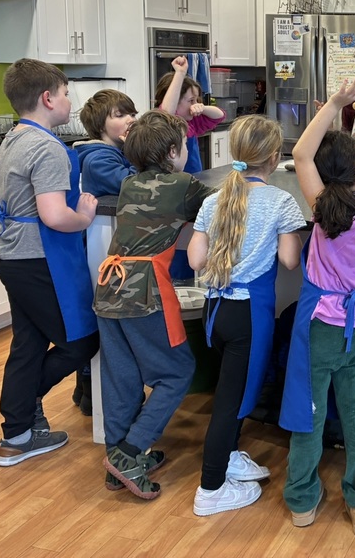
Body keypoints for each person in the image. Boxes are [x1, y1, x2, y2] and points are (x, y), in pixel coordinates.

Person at [280, 76, 355, 538]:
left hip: (318, 326)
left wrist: (334, 103)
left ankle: (303, 503)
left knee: (307, 412)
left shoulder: (323, 211)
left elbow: (301, 155)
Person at [188, 115, 306, 516]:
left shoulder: (211, 200)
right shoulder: (280, 202)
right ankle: (211, 489)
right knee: (231, 401)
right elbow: (290, 261)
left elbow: (196, 258)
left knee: (230, 390)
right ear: (274, 158)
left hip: (214, 313)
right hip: (249, 317)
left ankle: (231, 455)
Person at [94, 110, 211, 499]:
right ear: (175, 151)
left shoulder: (128, 184)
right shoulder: (183, 184)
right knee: (177, 372)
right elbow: (214, 209)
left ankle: (118, 460)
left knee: (120, 377)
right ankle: (129, 451)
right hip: (144, 290)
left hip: (109, 284)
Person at [0, 59, 99, 467]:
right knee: (81, 342)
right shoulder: (48, 148)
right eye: (67, 92)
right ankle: (22, 409)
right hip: (36, 257)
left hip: (10, 254)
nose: (71, 100)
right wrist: (85, 216)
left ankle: (17, 434)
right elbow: (54, 215)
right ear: (48, 98)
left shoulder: (14, 137)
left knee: (29, 343)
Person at [71, 88, 138, 415]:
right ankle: (89, 391)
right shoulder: (99, 157)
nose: (130, 119)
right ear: (99, 125)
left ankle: (84, 391)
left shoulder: (114, 150)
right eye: (120, 115)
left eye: (131, 113)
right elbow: (131, 184)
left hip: (101, 247)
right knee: (95, 322)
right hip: (95, 249)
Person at [155, 56, 225, 175]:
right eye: (191, 100)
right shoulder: (163, 123)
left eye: (196, 100)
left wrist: (203, 108)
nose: (195, 104)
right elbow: (167, 112)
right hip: (175, 182)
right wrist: (180, 73)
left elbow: (219, 115)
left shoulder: (191, 122)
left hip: (194, 178)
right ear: (175, 101)